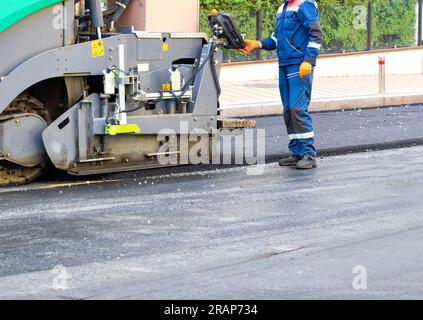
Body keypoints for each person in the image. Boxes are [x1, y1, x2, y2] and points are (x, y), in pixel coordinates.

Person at [239, 0, 323, 169]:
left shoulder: (304, 4)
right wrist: (257, 44)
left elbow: (316, 34)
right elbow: (277, 39)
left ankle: (309, 154)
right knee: (288, 110)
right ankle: (297, 152)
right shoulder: (282, 8)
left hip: (299, 65)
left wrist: (308, 60)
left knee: (297, 108)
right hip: (284, 64)